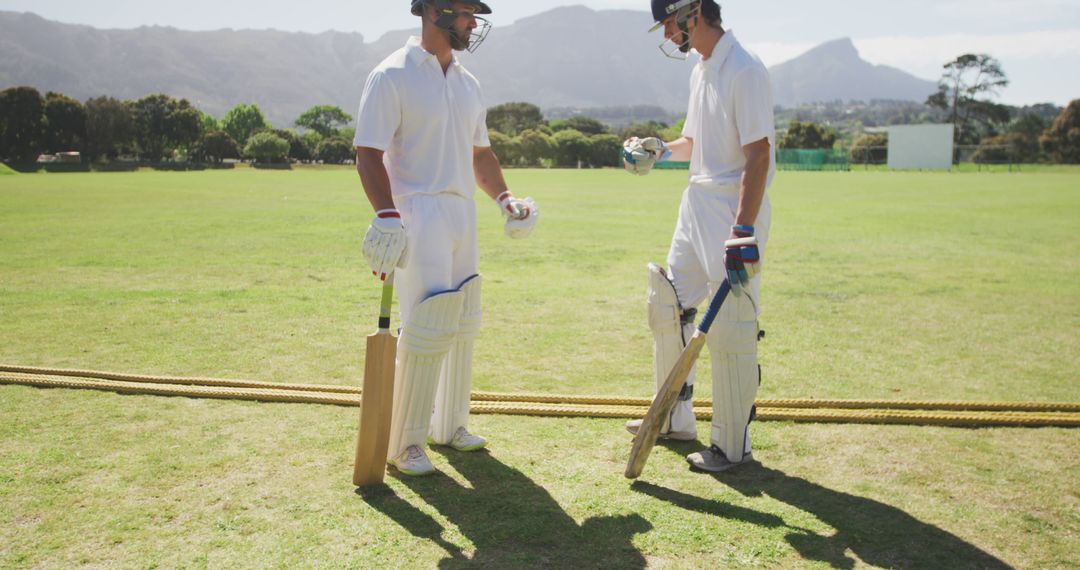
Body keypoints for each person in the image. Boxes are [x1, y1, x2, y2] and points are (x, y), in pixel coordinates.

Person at [354, 0, 538, 476]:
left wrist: (504, 199)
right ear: (433, 10)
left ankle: (449, 424)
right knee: (426, 324)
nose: (473, 23)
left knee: (463, 321)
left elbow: (480, 155)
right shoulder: (391, 74)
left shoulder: (467, 82)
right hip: (418, 210)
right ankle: (406, 442)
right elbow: (368, 152)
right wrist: (387, 214)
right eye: (465, 12)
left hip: (461, 212)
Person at [623, 0, 775, 473]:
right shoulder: (702, 69)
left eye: (669, 23)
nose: (668, 35)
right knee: (668, 302)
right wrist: (658, 150)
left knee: (730, 323)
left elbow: (758, 154)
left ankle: (732, 445)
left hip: (732, 206)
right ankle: (673, 418)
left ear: (691, 12)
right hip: (696, 201)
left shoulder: (745, 69)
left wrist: (743, 229)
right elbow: (695, 142)